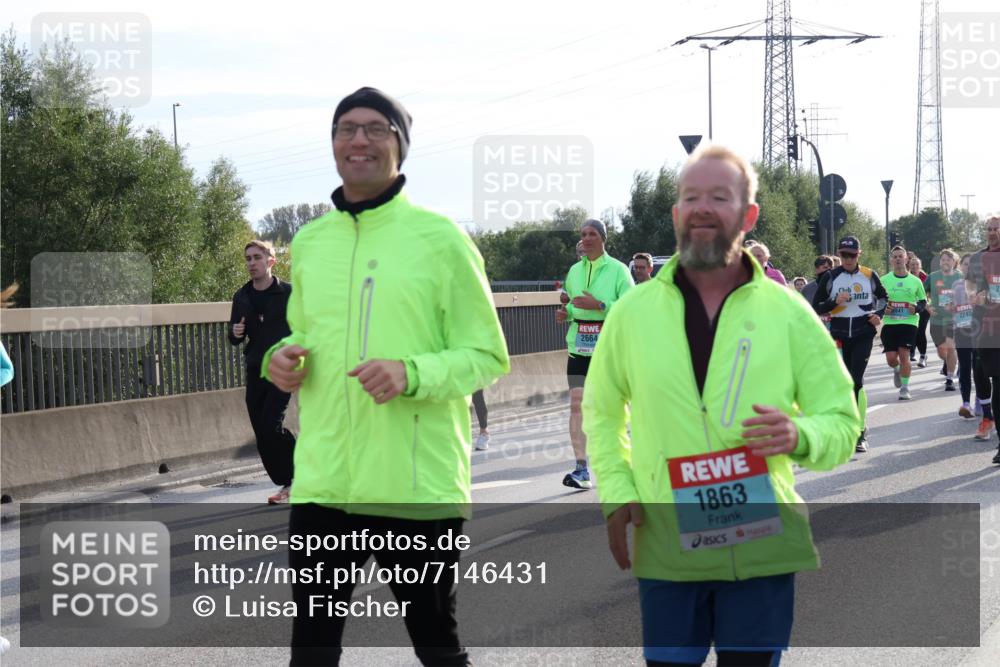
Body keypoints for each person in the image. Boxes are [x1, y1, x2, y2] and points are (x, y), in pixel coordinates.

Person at [585, 144, 858, 667]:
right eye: (691, 197)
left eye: (720, 196)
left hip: (760, 541)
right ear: (676, 215)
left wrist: (801, 436)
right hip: (667, 541)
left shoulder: (788, 313)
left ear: (748, 215)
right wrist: (617, 491)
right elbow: (600, 412)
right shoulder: (631, 314)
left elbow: (843, 422)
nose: (703, 208)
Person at [264, 86, 511, 665]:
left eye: (376, 129)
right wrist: (282, 356)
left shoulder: (440, 237)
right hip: (325, 481)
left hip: (416, 486)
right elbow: (306, 333)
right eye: (346, 128)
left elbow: (487, 355)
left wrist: (412, 372)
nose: (359, 140)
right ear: (332, 144)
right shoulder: (310, 241)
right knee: (312, 648)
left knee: (436, 645)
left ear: (400, 145)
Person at [555, 219, 634, 489]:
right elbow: (575, 307)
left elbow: (630, 308)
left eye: (591, 234)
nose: (586, 238)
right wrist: (566, 314)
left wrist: (599, 304)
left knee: (609, 408)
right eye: (583, 234)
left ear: (602, 238)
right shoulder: (574, 271)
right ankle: (581, 469)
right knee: (576, 405)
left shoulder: (619, 270)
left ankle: (620, 464)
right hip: (579, 348)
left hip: (609, 348)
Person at [228, 240, 297, 504]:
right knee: (262, 432)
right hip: (255, 368)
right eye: (247, 258)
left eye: (257, 257)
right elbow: (235, 336)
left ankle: (294, 480)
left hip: (283, 368)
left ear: (271, 261)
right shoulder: (242, 297)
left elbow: (307, 324)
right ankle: (290, 478)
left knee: (271, 425)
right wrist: (235, 333)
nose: (251, 263)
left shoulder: (289, 293)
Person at [812, 236, 888, 452]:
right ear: (839, 254)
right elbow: (816, 306)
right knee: (844, 383)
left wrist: (877, 314)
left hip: (863, 333)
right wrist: (833, 302)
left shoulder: (869, 275)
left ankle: (860, 432)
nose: (847, 259)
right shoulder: (831, 276)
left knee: (856, 380)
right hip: (840, 333)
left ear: (859, 255)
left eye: (852, 255)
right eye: (844, 255)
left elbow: (883, 297)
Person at [963, 214, 1000, 464]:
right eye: (988, 228)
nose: (992, 232)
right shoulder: (977, 258)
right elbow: (968, 285)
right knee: (994, 379)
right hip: (987, 330)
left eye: (996, 228)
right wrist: (974, 295)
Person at [950, 253, 995, 435]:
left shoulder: (986, 284)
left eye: (971, 265)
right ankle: (968, 403)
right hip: (963, 329)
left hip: (984, 331)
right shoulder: (957, 285)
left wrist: (983, 301)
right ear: (961, 267)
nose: (969, 268)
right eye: (966, 265)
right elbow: (952, 306)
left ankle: (983, 404)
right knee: (968, 367)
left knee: (984, 370)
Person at [881, 246, 927, 401]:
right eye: (895, 257)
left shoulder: (915, 281)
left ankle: (905, 388)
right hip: (890, 323)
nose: (898, 259)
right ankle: (896, 369)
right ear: (891, 260)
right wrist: (883, 309)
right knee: (891, 358)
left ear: (906, 259)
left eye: (901, 256)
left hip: (909, 323)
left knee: (904, 355)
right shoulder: (884, 280)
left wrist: (916, 309)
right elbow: (878, 301)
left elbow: (922, 301)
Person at [924, 249, 962, 391]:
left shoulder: (960, 277)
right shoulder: (933, 277)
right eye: (943, 260)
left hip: (953, 319)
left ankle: (950, 379)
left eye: (948, 260)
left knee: (951, 347)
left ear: (954, 262)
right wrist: (927, 306)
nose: (945, 262)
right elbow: (920, 294)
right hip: (936, 320)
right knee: (942, 351)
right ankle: (948, 363)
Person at [908, 254, 930, 366]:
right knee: (913, 331)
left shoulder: (925, 278)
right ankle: (911, 352)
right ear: (909, 266)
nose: (914, 266)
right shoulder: (907, 277)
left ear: (920, 266)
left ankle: (923, 356)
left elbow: (930, 292)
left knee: (920, 332)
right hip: (911, 308)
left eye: (917, 264)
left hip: (924, 308)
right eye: (912, 264)